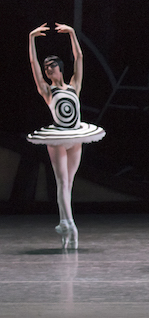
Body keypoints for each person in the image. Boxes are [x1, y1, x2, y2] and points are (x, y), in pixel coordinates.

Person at [27, 23, 105, 249]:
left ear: (60, 69)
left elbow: (79, 57)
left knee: (68, 183)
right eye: (46, 68)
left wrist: (72, 33)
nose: (48, 70)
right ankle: (70, 223)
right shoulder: (47, 91)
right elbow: (32, 63)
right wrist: (32, 38)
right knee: (62, 182)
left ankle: (64, 223)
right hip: (58, 139)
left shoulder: (74, 86)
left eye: (51, 66)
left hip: (75, 137)